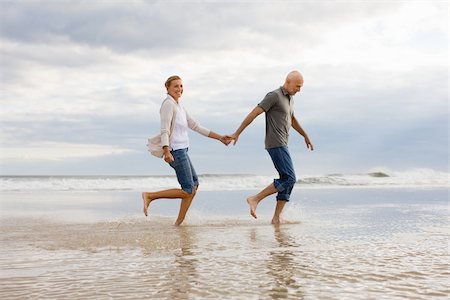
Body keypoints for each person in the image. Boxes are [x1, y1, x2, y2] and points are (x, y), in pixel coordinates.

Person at [142, 75, 230, 226]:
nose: (179, 89)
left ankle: (178, 223)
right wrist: (166, 150)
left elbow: (196, 126)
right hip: (175, 150)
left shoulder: (179, 106)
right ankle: (150, 196)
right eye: (176, 86)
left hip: (183, 149)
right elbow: (164, 130)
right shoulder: (168, 105)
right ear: (167, 88)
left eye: (181, 86)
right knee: (188, 189)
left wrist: (220, 137)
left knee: (194, 186)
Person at [229, 70, 314, 224]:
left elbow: (292, 119)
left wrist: (305, 135)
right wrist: (237, 133)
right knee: (290, 178)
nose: (299, 90)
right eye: (297, 86)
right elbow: (254, 113)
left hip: (283, 143)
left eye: (300, 87)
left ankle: (276, 218)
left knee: (288, 180)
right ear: (287, 81)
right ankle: (255, 199)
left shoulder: (290, 98)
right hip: (275, 143)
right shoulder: (274, 96)